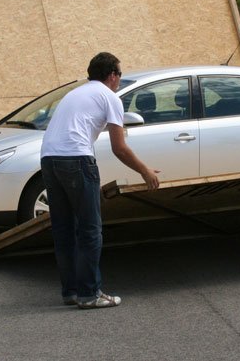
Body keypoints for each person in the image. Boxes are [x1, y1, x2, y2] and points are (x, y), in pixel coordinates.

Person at [40, 52, 160, 308]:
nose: (119, 80)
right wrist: (144, 170)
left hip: (49, 159)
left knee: (64, 230)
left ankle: (71, 292)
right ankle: (90, 294)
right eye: (120, 75)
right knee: (90, 229)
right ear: (112, 76)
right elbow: (120, 147)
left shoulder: (75, 94)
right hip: (77, 160)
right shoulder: (110, 97)